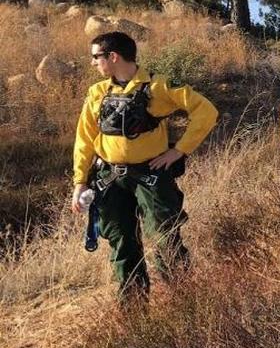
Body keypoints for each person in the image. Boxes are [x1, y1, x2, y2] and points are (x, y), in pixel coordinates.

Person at [71, 31, 218, 303]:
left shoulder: (158, 87)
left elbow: (206, 111)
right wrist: (80, 181)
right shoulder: (97, 93)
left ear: (112, 56)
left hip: (150, 177)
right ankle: (133, 310)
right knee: (122, 243)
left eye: (96, 57)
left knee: (165, 238)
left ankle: (186, 305)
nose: (93, 63)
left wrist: (178, 151)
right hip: (109, 178)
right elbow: (85, 138)